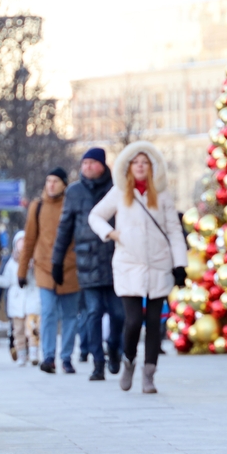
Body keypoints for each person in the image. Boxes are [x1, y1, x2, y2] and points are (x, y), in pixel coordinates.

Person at [88, 141, 187, 394]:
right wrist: (111, 233)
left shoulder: (162, 194)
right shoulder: (120, 192)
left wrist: (179, 265)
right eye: (136, 162)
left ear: (152, 167)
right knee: (132, 321)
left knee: (154, 322)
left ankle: (149, 375)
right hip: (129, 265)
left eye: (145, 162)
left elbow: (174, 231)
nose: (141, 166)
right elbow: (95, 216)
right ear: (129, 167)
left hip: (158, 265)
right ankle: (129, 361)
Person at [52, 148, 125, 381]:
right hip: (87, 262)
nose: (87, 167)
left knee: (118, 313)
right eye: (84, 163)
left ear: (103, 166)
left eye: (92, 163)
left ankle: (114, 348)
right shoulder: (74, 192)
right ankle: (97, 362)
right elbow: (64, 228)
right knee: (92, 312)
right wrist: (57, 260)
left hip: (115, 261)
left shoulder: (117, 189)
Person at [18, 167, 80, 374]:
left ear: (64, 184)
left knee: (71, 315)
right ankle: (49, 357)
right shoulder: (37, 207)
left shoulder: (71, 204)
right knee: (48, 312)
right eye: (48, 181)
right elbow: (29, 241)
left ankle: (67, 358)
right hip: (44, 268)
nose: (51, 185)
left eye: (56, 181)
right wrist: (21, 270)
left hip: (70, 268)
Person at [0, 230, 41, 366]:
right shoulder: (11, 263)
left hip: (32, 299)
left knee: (32, 328)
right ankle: (21, 354)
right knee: (18, 330)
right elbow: (7, 281)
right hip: (16, 302)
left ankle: (33, 353)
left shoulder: (36, 259)